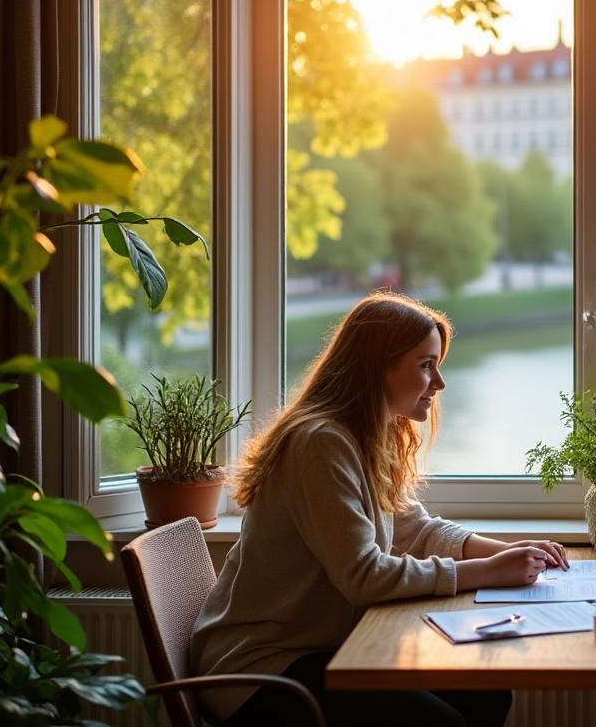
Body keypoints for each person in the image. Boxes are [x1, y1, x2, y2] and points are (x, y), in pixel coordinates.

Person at [190, 292, 569, 727]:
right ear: (378, 368)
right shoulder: (320, 444)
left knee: (485, 693)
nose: (439, 382)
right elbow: (364, 577)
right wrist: (488, 572)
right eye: (426, 365)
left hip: (319, 652)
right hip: (259, 672)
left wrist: (507, 551)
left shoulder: (364, 435)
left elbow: (415, 529)